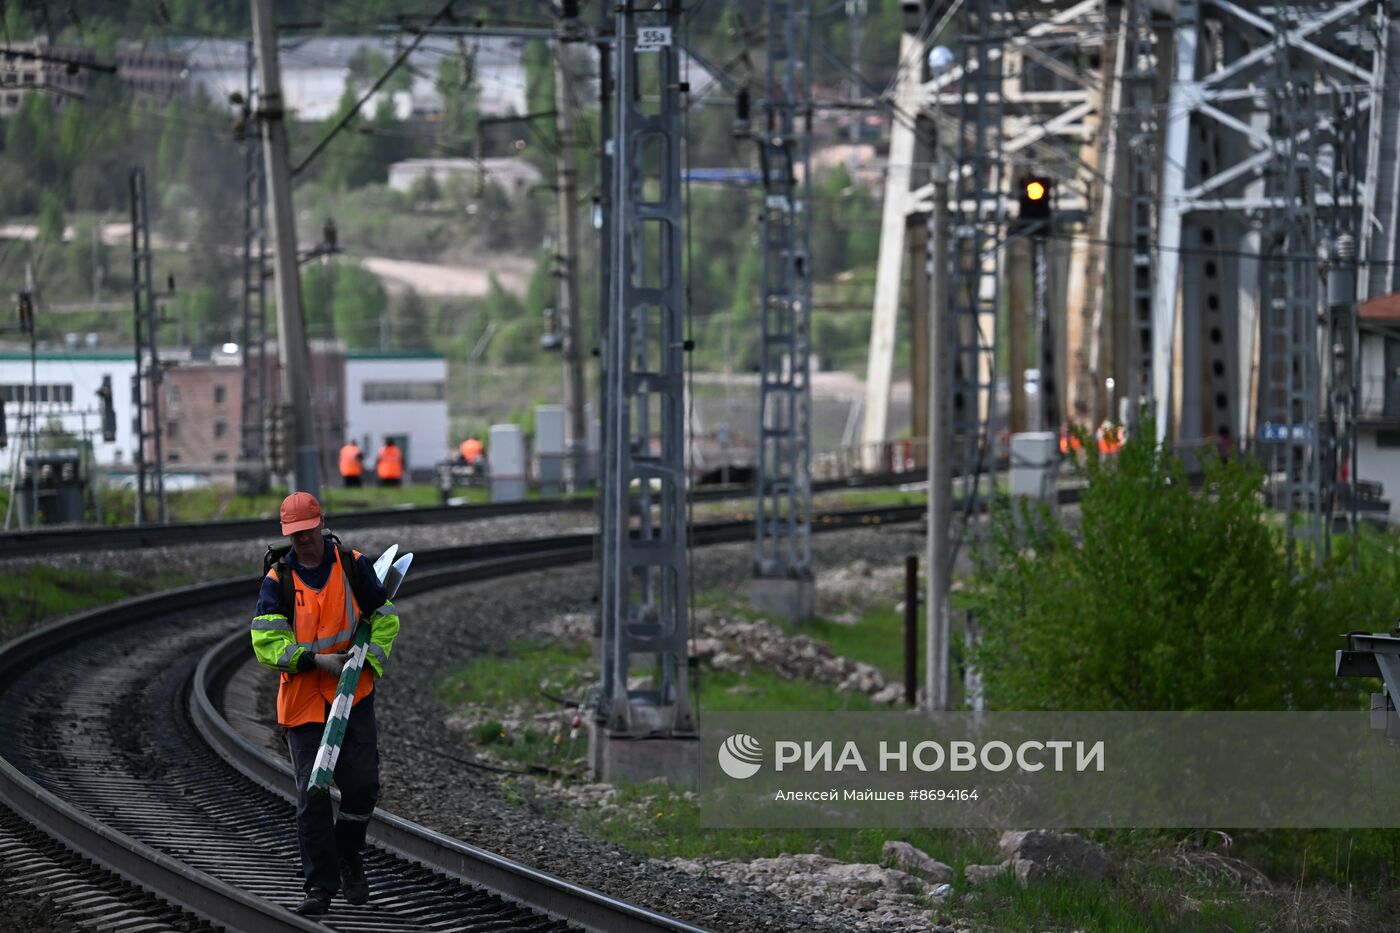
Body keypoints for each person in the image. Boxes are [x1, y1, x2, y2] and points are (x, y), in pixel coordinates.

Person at [250, 492, 401, 916]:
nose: (302, 541)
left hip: (352, 696)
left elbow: (385, 618)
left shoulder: (353, 566)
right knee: (312, 795)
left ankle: (348, 854)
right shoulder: (277, 581)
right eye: (294, 535)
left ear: (322, 524)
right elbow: (265, 641)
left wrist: (361, 664)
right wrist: (314, 660)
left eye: (308, 531)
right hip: (302, 702)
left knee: (362, 787)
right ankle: (319, 889)